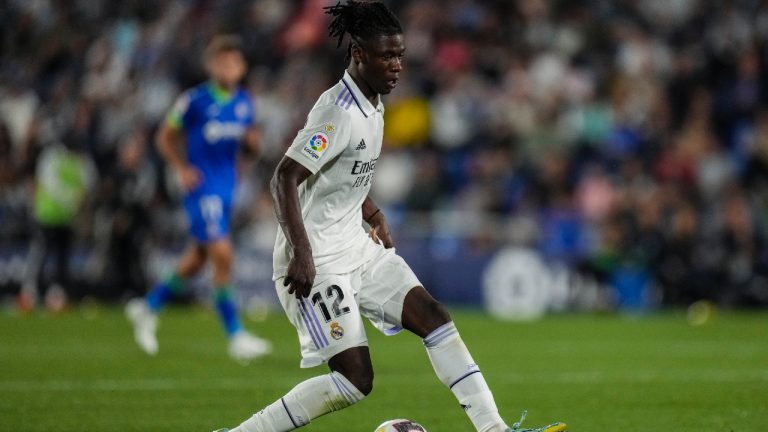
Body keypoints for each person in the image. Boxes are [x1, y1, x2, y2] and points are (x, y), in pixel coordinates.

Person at [215, 2, 566, 431]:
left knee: (434, 316)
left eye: (400, 55)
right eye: (387, 56)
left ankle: (495, 429)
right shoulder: (337, 112)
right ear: (359, 55)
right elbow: (284, 178)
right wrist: (302, 254)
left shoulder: (374, 101)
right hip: (320, 260)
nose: (397, 65)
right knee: (354, 381)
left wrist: (373, 212)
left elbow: (341, 175)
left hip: (357, 247)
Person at [126, 35, 271, 362]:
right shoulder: (194, 101)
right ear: (211, 66)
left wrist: (252, 145)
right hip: (202, 187)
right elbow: (164, 136)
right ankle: (235, 335)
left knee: (197, 259)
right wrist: (181, 168)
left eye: (233, 62)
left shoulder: (246, 103)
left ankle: (148, 307)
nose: (228, 67)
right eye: (222, 62)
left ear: (242, 67)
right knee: (222, 252)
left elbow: (250, 149)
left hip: (227, 188)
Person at [20, 137, 96, 312]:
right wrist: (73, 200)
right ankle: (30, 294)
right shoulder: (52, 157)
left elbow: (88, 183)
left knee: (62, 258)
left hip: (66, 218)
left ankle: (56, 297)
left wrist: (78, 202)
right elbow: (52, 185)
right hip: (47, 216)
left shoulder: (80, 161)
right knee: (42, 254)